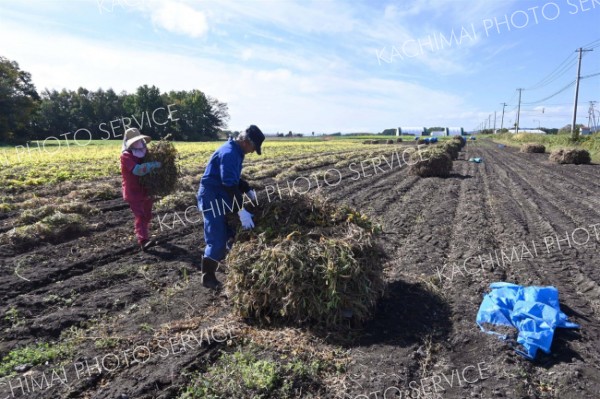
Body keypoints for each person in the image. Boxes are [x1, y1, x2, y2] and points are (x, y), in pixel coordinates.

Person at [197, 125, 265, 289]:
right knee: (217, 237)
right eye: (253, 148)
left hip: (221, 194)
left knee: (231, 232)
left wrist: (246, 188)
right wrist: (241, 210)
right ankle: (208, 278)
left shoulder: (236, 151)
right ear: (246, 142)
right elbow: (228, 184)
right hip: (212, 197)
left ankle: (231, 265)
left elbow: (233, 178)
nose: (251, 152)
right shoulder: (229, 153)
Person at [120, 128, 161, 251]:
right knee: (140, 215)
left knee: (147, 215)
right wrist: (154, 165)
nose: (138, 143)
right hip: (133, 191)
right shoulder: (126, 156)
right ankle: (143, 240)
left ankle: (145, 235)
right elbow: (138, 170)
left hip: (146, 189)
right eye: (135, 141)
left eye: (139, 140)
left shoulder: (143, 152)